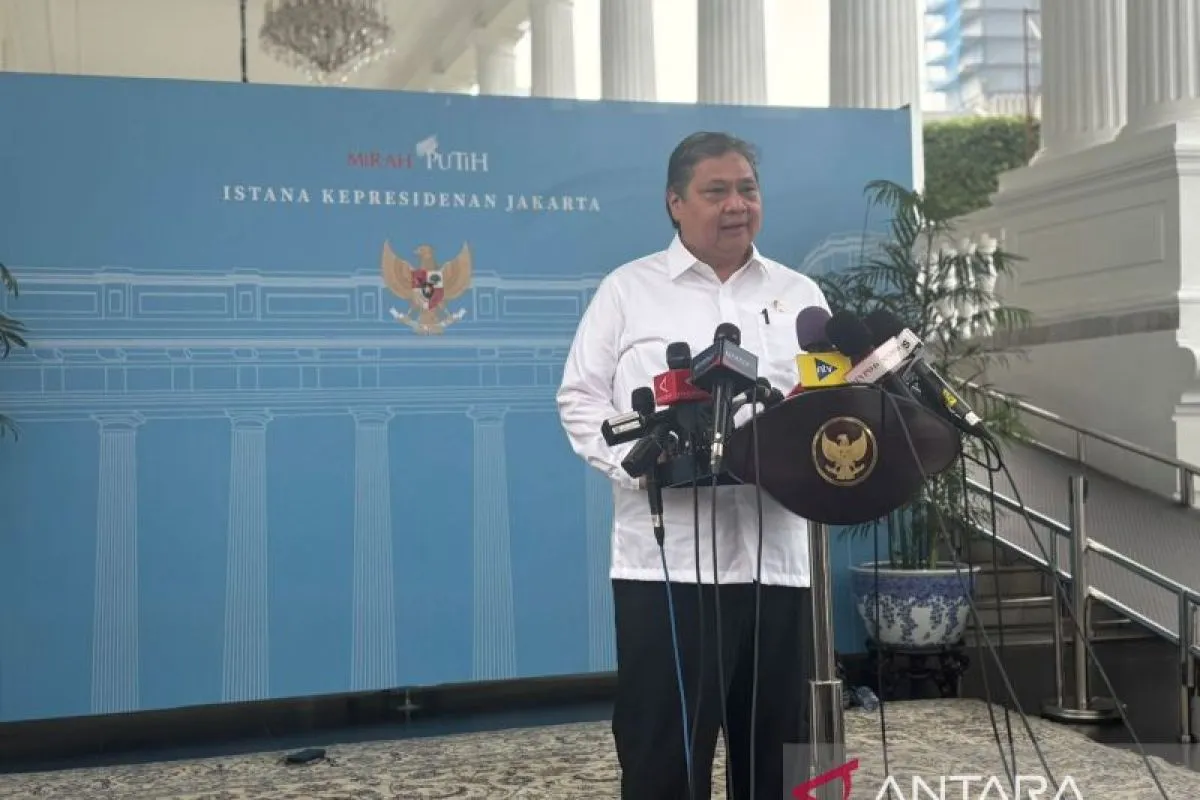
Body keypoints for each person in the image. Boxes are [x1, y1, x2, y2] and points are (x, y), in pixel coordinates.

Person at [556, 131, 830, 800]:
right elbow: (580, 398)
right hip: (667, 567)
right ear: (675, 203)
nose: (737, 205)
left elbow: (828, 398)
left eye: (748, 189)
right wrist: (639, 464)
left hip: (778, 561)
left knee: (783, 758)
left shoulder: (800, 294)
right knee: (662, 757)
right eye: (716, 191)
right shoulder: (629, 290)